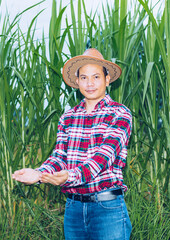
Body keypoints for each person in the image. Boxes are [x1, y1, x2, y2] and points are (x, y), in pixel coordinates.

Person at [12, 48, 132, 240]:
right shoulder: (68, 118)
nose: (90, 83)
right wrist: (39, 174)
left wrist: (69, 177)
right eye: (84, 78)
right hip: (73, 209)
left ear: (107, 79)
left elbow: (103, 158)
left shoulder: (120, 113)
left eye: (96, 77)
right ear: (77, 81)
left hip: (107, 208)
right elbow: (59, 157)